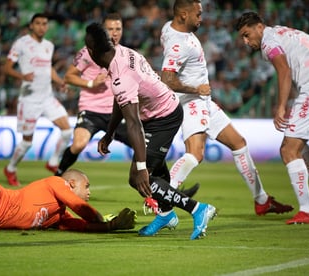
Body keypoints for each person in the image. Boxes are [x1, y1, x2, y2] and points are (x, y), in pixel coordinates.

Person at [160, 0, 293, 216]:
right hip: (192, 101)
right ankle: (160, 198)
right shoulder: (178, 43)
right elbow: (167, 79)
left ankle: (262, 200)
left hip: (202, 100)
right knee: (195, 154)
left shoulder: (168, 28)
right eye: (198, 14)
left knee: (239, 144)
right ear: (184, 14)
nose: (201, 18)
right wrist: (196, 88)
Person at [84, 22, 216, 240]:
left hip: (164, 117)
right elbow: (122, 100)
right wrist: (110, 133)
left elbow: (133, 122)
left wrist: (142, 167)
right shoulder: (123, 52)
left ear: (91, 52)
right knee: (154, 175)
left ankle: (198, 209)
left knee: (138, 177)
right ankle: (165, 214)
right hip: (156, 114)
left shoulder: (120, 76)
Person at [235, 12, 309, 224]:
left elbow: (283, 70)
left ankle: (307, 211)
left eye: (247, 35)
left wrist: (281, 106)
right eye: (242, 38)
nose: (246, 42)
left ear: (259, 27)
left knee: (288, 150)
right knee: (298, 145)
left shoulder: (269, 41)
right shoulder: (287, 32)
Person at [0, 136, 136, 232]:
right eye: (86, 186)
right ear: (71, 183)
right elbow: (82, 209)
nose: (89, 192)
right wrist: (101, 218)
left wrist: (113, 225)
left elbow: (83, 226)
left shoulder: (59, 217)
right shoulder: (56, 182)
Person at [54, 13, 130, 177]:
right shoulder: (87, 52)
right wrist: (91, 83)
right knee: (78, 145)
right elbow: (69, 76)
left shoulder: (124, 53)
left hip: (116, 112)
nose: (115, 33)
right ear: (103, 31)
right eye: (110, 29)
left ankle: (168, 186)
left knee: (143, 146)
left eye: (118, 29)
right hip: (91, 110)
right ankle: (58, 176)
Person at [3, 13, 73, 186]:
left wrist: (60, 82)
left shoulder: (49, 45)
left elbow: (49, 70)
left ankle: (53, 161)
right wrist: (22, 75)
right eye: (38, 23)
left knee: (67, 130)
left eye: (44, 23)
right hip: (29, 100)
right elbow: (7, 68)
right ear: (31, 26)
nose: (42, 26)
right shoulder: (21, 43)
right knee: (27, 142)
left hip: (47, 97)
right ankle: (11, 168)